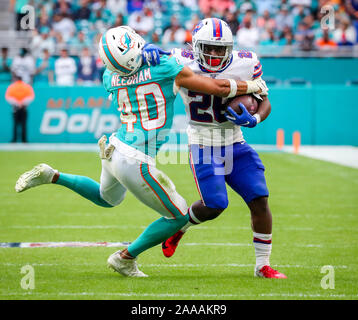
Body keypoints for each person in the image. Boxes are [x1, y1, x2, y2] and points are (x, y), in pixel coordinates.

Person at [15, 26, 265, 277]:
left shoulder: (108, 77)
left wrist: (149, 54)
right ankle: (124, 257)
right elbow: (219, 88)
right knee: (178, 217)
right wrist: (254, 84)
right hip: (135, 159)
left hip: (114, 147)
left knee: (106, 199)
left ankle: (53, 175)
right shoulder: (163, 67)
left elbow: (124, 67)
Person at [145, 18, 287, 279]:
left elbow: (264, 99)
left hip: (235, 142)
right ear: (196, 46)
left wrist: (255, 118)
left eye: (220, 49)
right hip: (202, 143)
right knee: (214, 205)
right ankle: (180, 227)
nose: (214, 54)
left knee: (259, 198)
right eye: (209, 47)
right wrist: (148, 48)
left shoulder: (245, 62)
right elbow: (148, 55)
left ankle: (262, 265)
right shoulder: (180, 59)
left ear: (230, 48)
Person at [5, 75, 35, 143]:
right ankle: (24, 140)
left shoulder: (12, 87)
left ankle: (14, 139)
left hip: (15, 108)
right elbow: (31, 97)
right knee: (23, 124)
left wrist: (17, 103)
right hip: (24, 107)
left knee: (15, 125)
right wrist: (22, 103)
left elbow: (8, 97)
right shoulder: (27, 87)